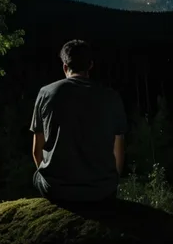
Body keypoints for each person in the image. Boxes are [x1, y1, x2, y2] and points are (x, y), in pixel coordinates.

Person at [30, 39, 127, 204]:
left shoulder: (46, 93)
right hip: (101, 191)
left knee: (37, 177)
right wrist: (109, 183)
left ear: (65, 67)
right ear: (90, 65)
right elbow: (118, 150)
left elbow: (36, 150)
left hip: (58, 190)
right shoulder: (111, 97)